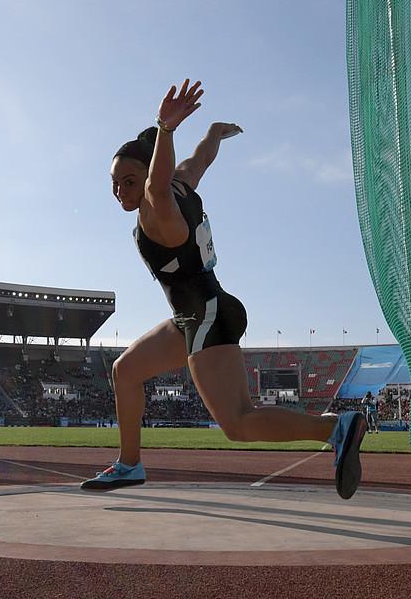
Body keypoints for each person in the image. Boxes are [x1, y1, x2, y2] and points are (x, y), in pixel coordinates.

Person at [81, 79, 367, 500]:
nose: (119, 191)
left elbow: (157, 184)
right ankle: (129, 463)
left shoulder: (159, 207)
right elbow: (199, 161)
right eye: (113, 183)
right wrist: (215, 132)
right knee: (125, 372)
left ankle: (334, 428)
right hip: (193, 316)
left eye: (128, 180)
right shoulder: (182, 184)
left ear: (147, 175)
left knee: (237, 423)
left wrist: (165, 127)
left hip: (207, 315)